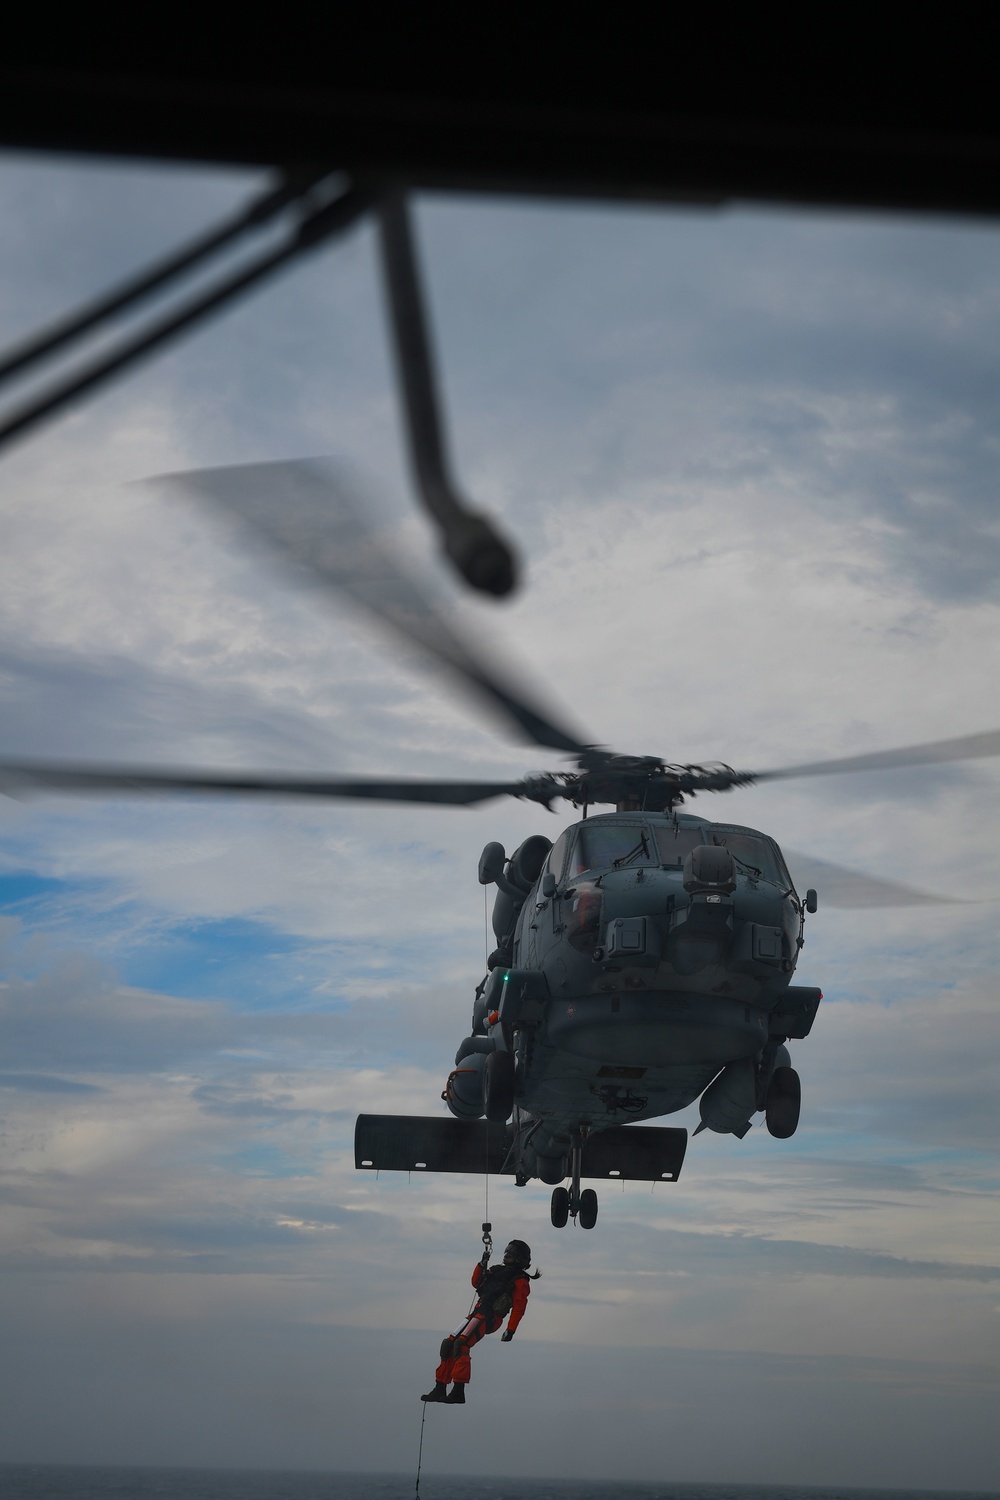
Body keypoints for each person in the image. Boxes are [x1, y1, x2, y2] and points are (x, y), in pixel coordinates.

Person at [421, 1239, 540, 1405]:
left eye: (510, 1254)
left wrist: (510, 1330)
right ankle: (440, 1387)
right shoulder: (496, 1270)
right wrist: (481, 1264)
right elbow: (476, 1282)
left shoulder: (520, 1280)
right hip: (477, 1313)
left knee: (461, 1345)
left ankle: (458, 1391)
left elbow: (519, 1308)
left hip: (489, 1317)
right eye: (506, 1252)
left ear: (519, 1259)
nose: (506, 1255)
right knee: (448, 1344)